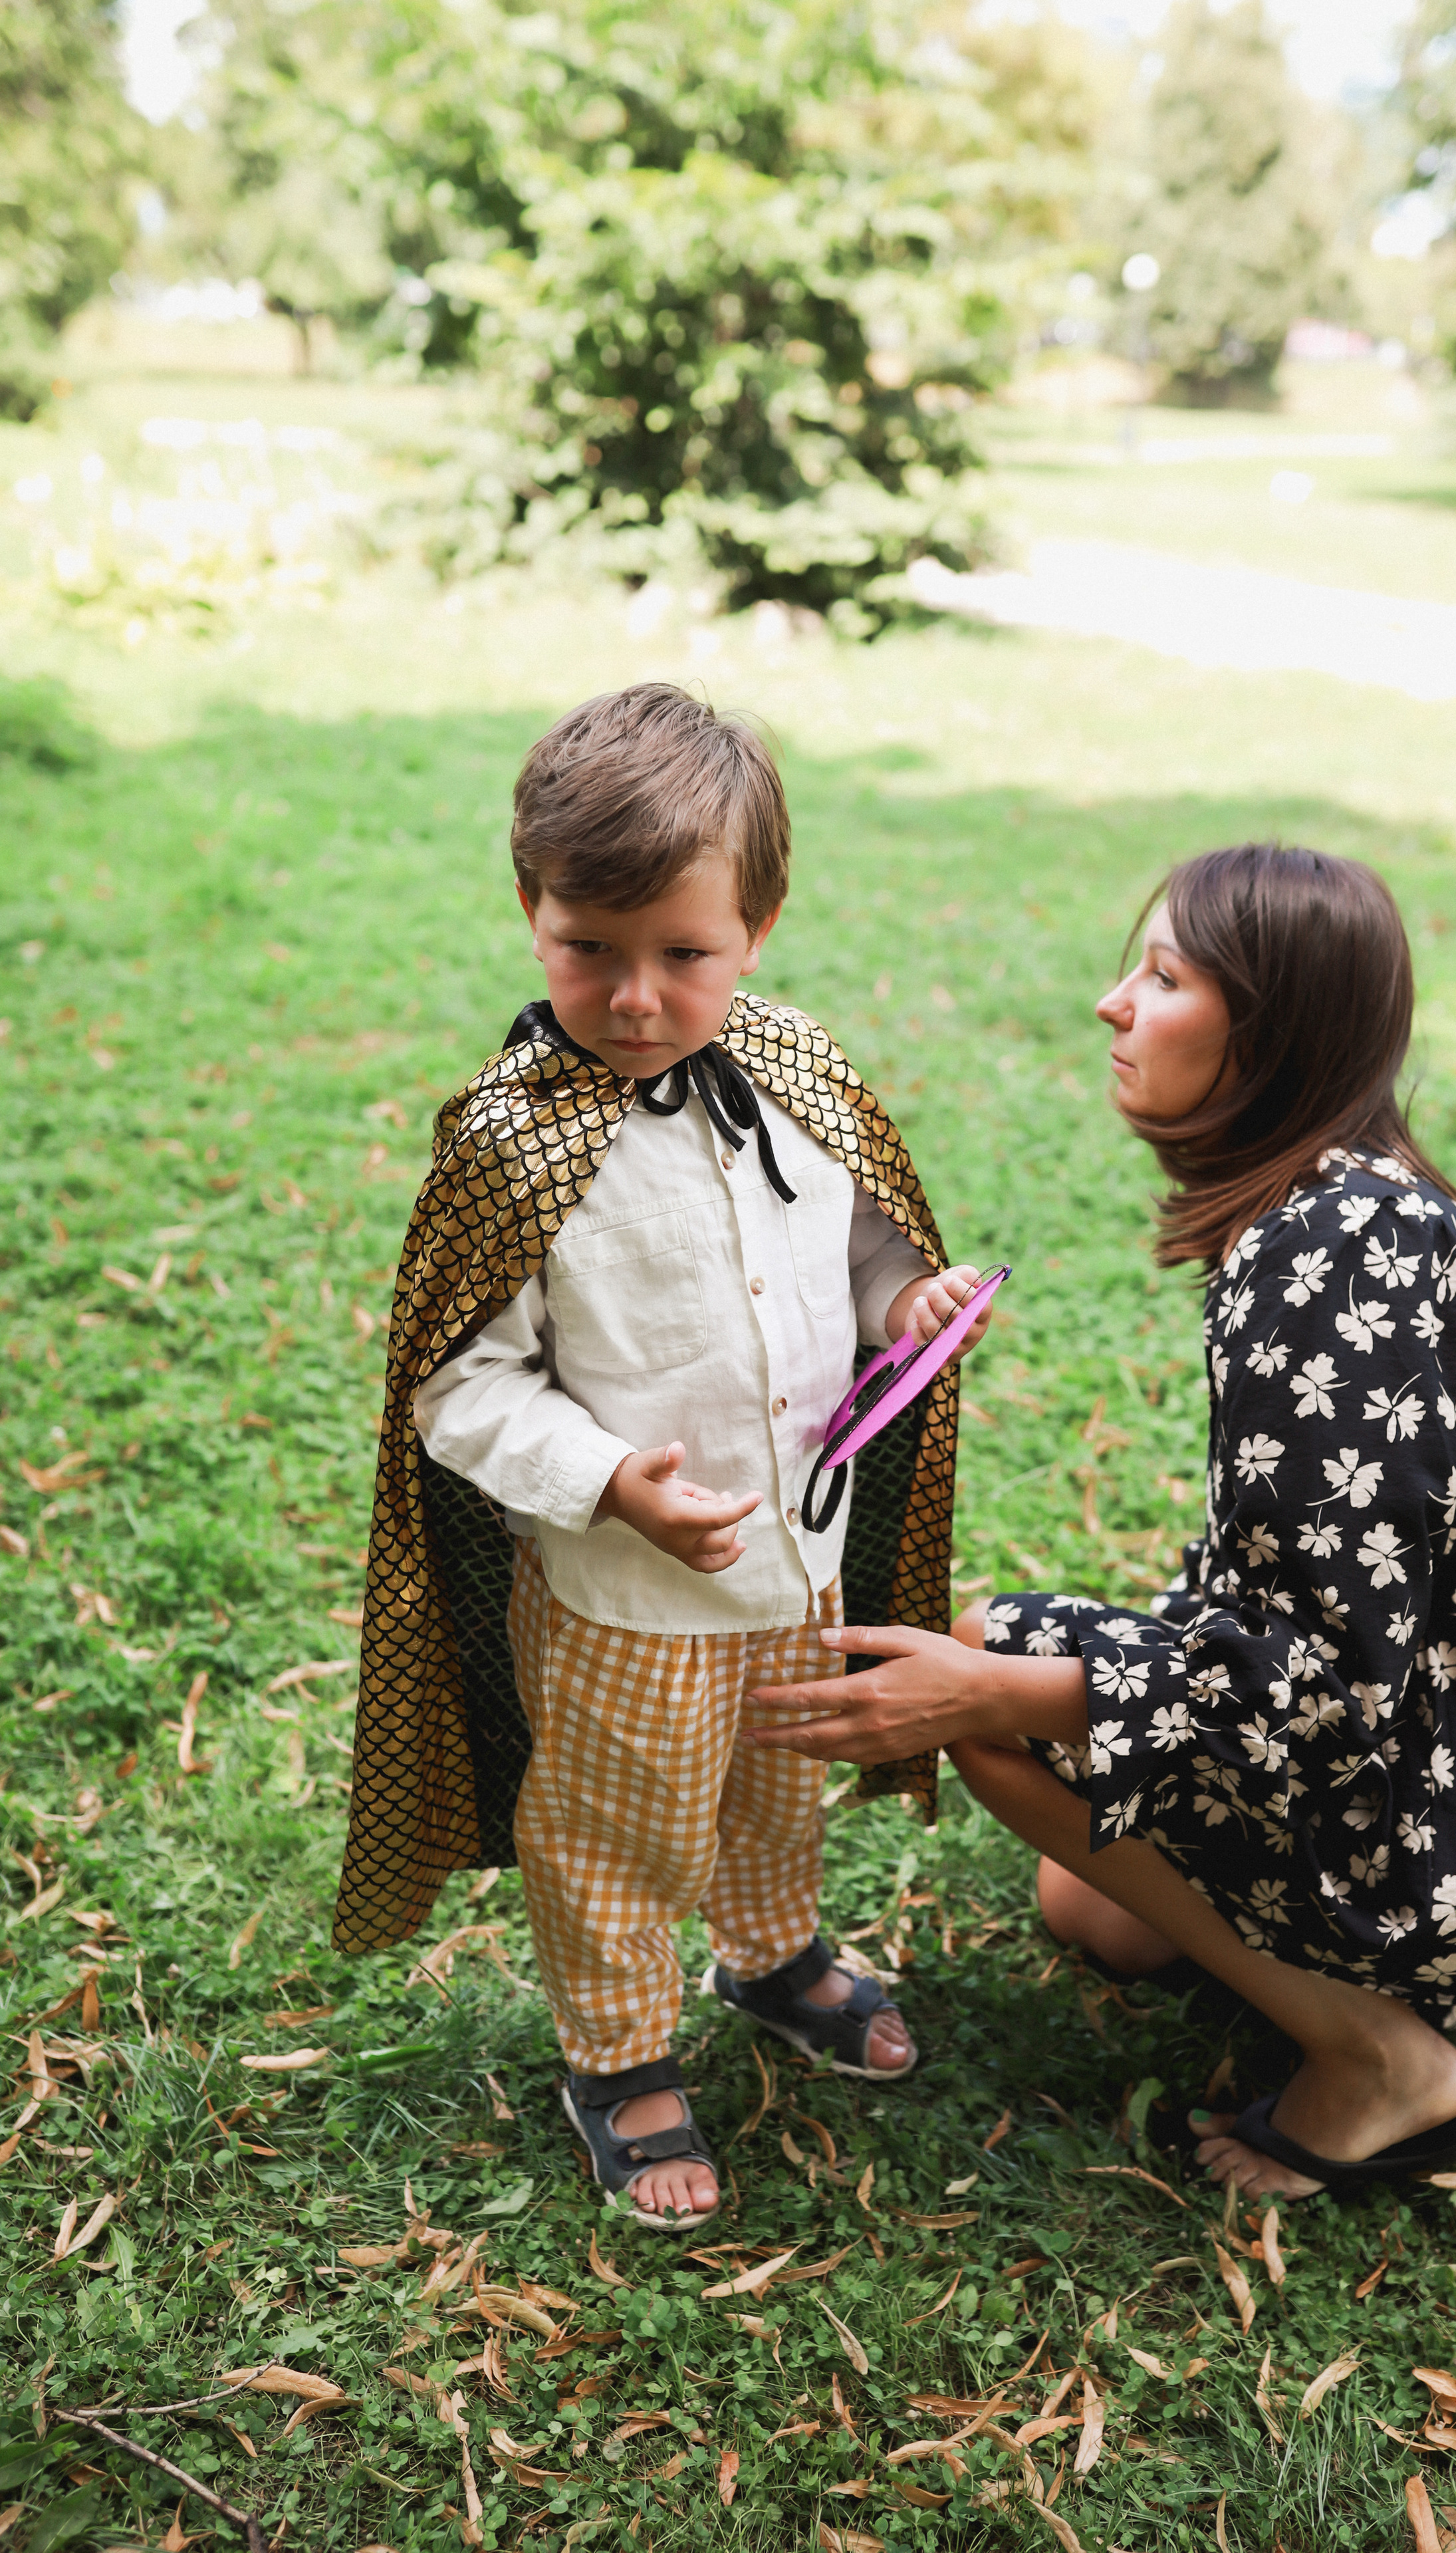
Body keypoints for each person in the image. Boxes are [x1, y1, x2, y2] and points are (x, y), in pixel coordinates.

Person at [749, 843, 1456, 2199]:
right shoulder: (1361, 1201)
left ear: (1267, 1033)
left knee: (998, 1700)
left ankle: (1386, 2067)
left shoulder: (1319, 1265)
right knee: (1098, 1914)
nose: (1110, 1004)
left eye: (1162, 975)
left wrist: (983, 1691)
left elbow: (1317, 1694)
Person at [333, 683, 991, 2231]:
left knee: (775, 1791)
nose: (636, 998)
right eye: (590, 949)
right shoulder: (514, 1136)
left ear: (757, 926)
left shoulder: (802, 1075)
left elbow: (861, 1247)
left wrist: (914, 1299)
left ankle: (767, 1952)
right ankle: (617, 2055)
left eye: (683, 955)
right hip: (624, 1598)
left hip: (799, 1557)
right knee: (619, 1830)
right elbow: (461, 1387)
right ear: (529, 912)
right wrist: (610, 1481)